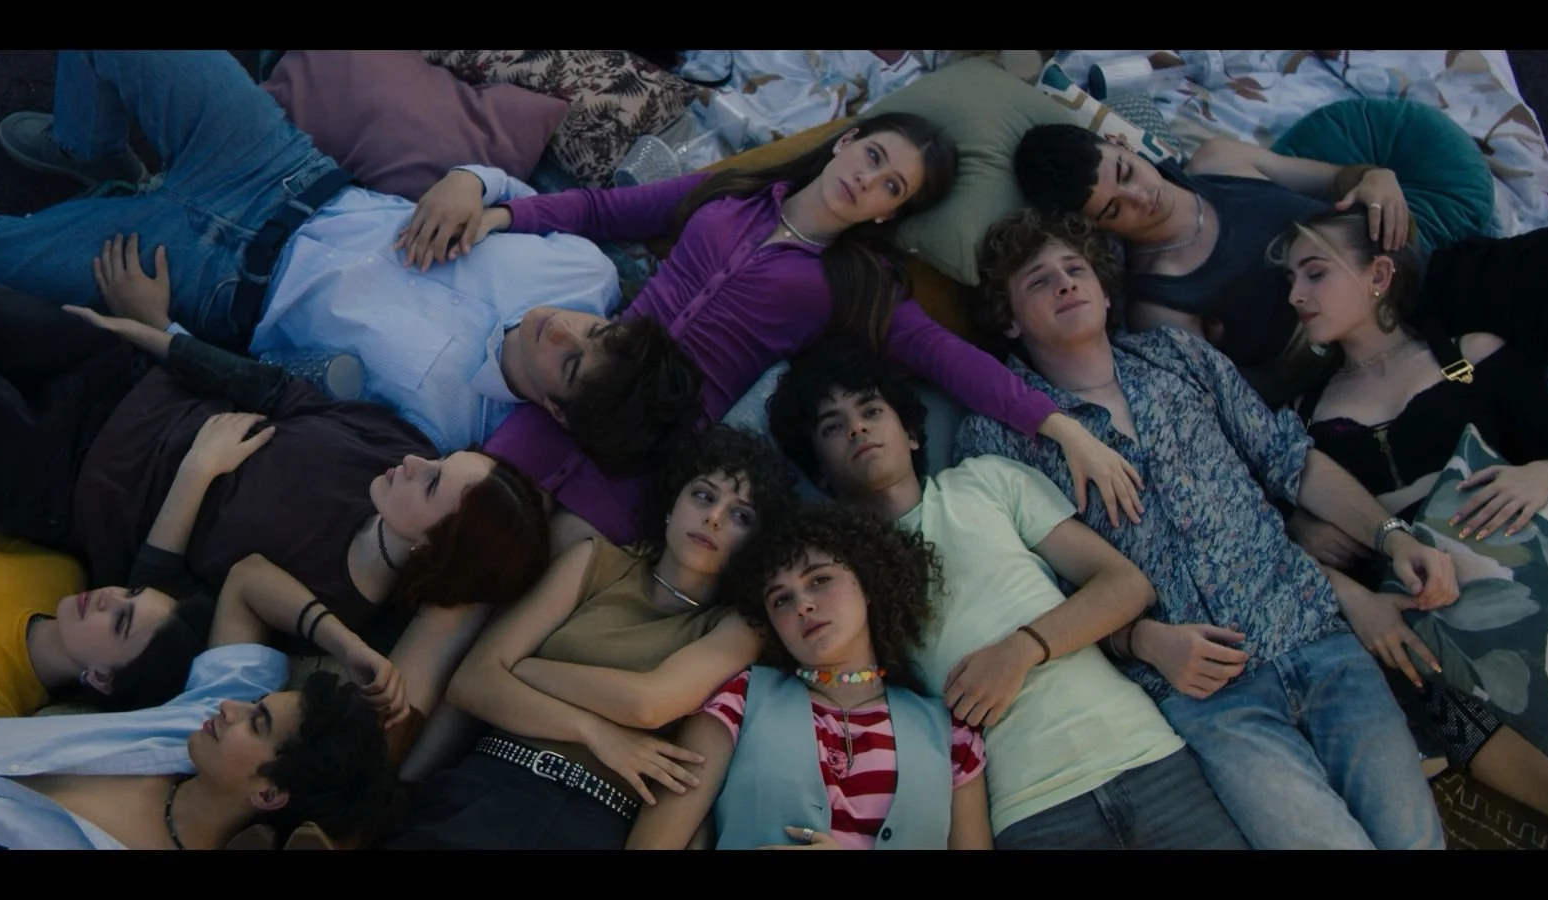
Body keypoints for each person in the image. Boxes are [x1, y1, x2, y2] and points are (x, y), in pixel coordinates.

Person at [397, 110, 1146, 549]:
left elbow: (948, 358)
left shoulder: (853, 284)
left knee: (530, 587)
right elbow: (605, 211)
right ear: (849, 138)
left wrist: (1060, 427)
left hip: (651, 453)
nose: (870, 180)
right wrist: (502, 212)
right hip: (575, 393)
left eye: (893, 187)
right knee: (457, 534)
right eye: (875, 156)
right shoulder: (734, 195)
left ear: (891, 211)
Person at [955, 208, 1457, 849]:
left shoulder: (1177, 356)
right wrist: (1142, 641)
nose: (1064, 284)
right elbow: (1036, 589)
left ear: (1107, 291)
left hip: (1316, 639)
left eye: (1076, 270)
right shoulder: (996, 435)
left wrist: (1393, 534)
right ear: (1009, 319)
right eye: (1038, 281)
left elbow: (1290, 460)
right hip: (1209, 697)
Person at [0, 50, 700, 473]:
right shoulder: (586, 274)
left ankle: (111, 198)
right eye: (596, 333)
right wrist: (472, 180)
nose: (563, 332)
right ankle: (89, 150)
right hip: (279, 169)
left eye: (571, 363)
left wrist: (162, 331)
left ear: (555, 411)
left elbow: (284, 401)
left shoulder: (444, 434)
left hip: (209, 279)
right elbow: (518, 195)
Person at [0, 265, 552, 741]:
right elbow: (271, 389)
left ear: (430, 546)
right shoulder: (400, 448)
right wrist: (144, 335)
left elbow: (159, 603)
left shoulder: (328, 602)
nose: (419, 464)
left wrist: (198, 472)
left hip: (66, 480)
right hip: (115, 374)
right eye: (439, 466)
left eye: (431, 485)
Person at [762, 338, 1248, 850]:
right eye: (832, 426)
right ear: (819, 470)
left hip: (1147, 757)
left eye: (871, 410)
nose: (857, 427)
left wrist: (1021, 649)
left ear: (908, 432)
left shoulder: (986, 481)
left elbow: (1126, 584)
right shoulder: (837, 576)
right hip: (1025, 810)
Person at [1272, 206, 1548, 829]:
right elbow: (1282, 537)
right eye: (1290, 282)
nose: (1297, 295)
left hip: (1533, 560)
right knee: (1436, 688)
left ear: (1378, 274)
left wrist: (1542, 472)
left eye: (1315, 273)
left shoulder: (1461, 357)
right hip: (1432, 617)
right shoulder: (1303, 412)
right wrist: (1305, 529)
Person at [380, 425, 800, 850]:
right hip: (492, 783)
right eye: (704, 495)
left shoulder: (737, 626)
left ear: (754, 543)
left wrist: (523, 670)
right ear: (674, 501)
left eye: (740, 515)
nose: (713, 517)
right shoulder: (594, 559)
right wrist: (595, 733)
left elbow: (647, 704)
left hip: (595, 821)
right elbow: (471, 683)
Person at [1012, 123, 1548, 391]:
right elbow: (1244, 403)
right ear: (1094, 229)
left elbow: (1338, 179)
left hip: (1438, 278)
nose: (1140, 198)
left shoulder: (1220, 159)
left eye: (1125, 173)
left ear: (1123, 146)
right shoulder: (1161, 300)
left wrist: (1377, 179)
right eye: (1115, 210)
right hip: (1378, 368)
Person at [627, 503, 993, 850]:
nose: (803, 605)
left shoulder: (951, 736)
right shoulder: (739, 700)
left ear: (867, 584)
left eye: (820, 580)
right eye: (781, 600)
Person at [0, 563, 403, 850]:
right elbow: (247, 579)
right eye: (255, 703)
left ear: (268, 792)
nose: (233, 707)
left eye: (258, 722)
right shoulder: (191, 726)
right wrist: (350, 648)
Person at [0, 409, 272, 719]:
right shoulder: (62, 572)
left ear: (102, 678)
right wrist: (198, 470)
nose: (109, 596)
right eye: (131, 593)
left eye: (120, 623)